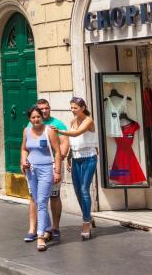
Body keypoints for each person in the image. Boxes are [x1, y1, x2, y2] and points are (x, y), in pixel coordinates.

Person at [24, 98, 69, 241]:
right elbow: (25, 146)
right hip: (34, 169)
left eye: (46, 108)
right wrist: (23, 161)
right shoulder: (30, 125)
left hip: (51, 166)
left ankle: (54, 227)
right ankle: (33, 228)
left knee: (54, 196)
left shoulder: (56, 124)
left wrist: (58, 163)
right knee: (35, 198)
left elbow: (64, 143)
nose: (43, 111)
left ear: (50, 108)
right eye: (40, 109)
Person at [57, 97, 98, 239]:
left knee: (84, 189)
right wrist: (68, 157)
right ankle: (88, 216)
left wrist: (60, 131)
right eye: (71, 107)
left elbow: (76, 133)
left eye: (75, 107)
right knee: (77, 190)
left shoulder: (88, 120)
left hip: (89, 158)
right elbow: (72, 140)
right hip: (76, 158)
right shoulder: (72, 121)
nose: (72, 110)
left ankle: (86, 223)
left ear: (82, 107)